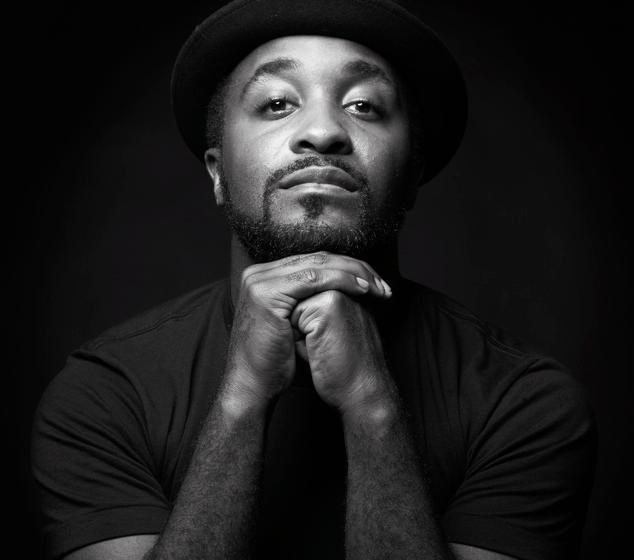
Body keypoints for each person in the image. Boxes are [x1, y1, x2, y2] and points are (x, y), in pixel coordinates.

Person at [31, 1, 597, 559]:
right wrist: (241, 398)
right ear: (217, 172)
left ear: (413, 175)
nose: (323, 131)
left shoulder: (523, 402)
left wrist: (372, 405)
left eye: (365, 106)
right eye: (277, 104)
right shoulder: (106, 396)